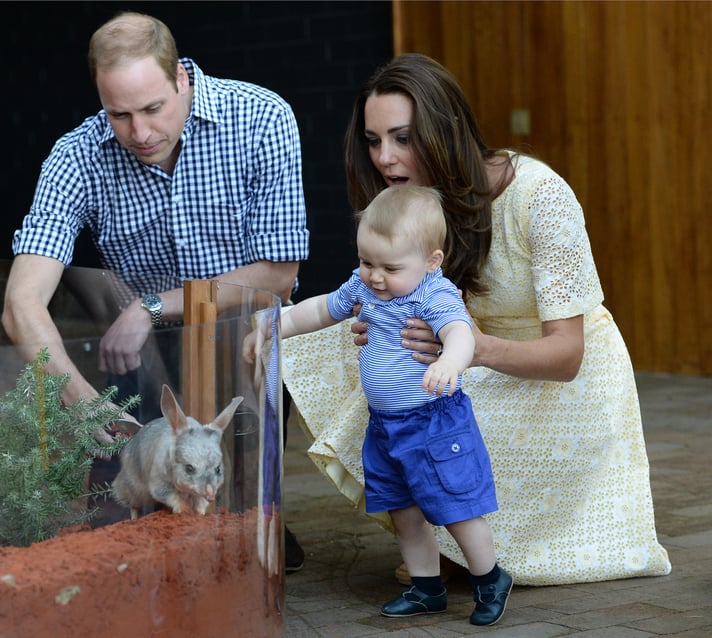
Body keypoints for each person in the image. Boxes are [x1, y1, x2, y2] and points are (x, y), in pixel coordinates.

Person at [280, 52, 672, 586]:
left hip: (558, 380)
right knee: (333, 346)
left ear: (445, 131)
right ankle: (437, 533)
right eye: (373, 141)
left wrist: (469, 351)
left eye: (403, 137)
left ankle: (463, 540)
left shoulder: (540, 196)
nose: (385, 158)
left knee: (431, 400)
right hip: (469, 353)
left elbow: (568, 356)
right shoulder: (410, 205)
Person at [1, 11, 308, 571]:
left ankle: (257, 522)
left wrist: (152, 305)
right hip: (146, 358)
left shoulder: (262, 117)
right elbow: (21, 305)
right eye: (119, 114)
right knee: (123, 523)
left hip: (243, 340)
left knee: (243, 539)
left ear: (182, 79)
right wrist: (81, 401)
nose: (139, 133)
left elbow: (278, 274)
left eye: (153, 109)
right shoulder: (77, 156)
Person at [246, 185, 511, 624]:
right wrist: (274, 324)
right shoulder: (364, 288)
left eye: (390, 267)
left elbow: (460, 333)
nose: (376, 276)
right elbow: (318, 311)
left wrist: (450, 360)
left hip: (434, 424)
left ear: (431, 261)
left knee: (456, 508)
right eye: (367, 262)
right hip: (386, 426)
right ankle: (426, 587)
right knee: (403, 511)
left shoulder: (433, 294)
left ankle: (490, 578)